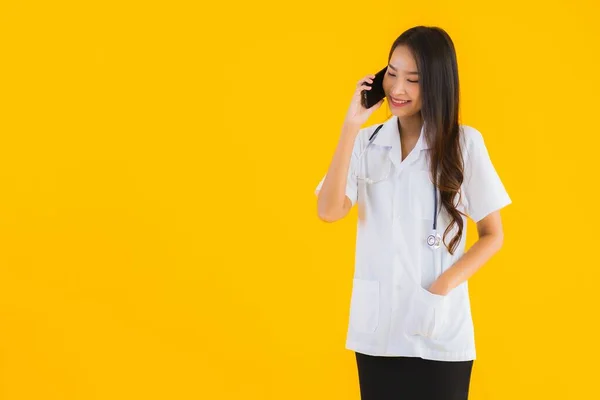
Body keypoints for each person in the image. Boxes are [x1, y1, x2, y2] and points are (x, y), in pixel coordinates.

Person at [314, 26, 512, 400]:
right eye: (391, 73)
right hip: (379, 334)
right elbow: (328, 210)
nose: (397, 89)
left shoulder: (464, 143)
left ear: (436, 83)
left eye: (413, 79)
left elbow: (493, 234)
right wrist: (351, 124)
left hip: (439, 330)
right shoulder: (366, 142)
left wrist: (442, 287)